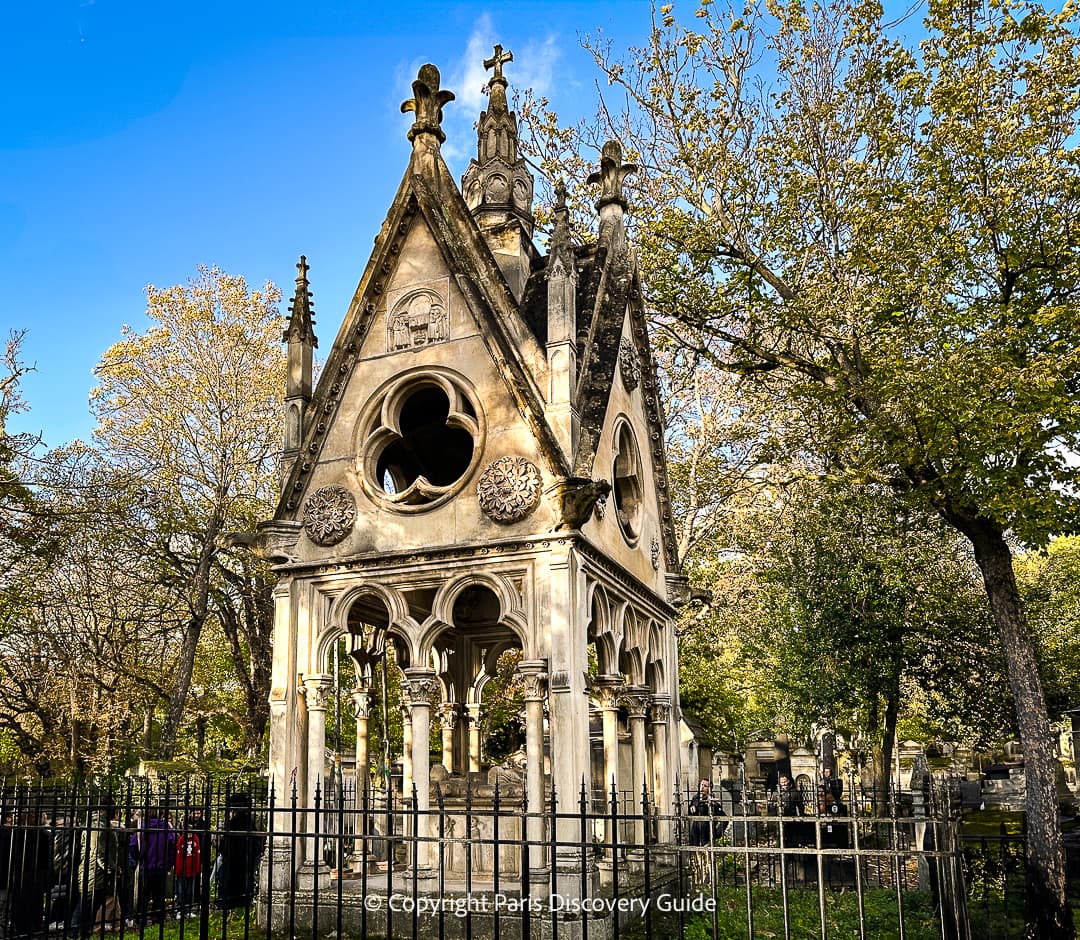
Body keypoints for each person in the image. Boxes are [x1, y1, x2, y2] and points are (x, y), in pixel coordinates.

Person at [69, 796, 119, 940]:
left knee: (90, 907)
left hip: (97, 873)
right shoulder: (98, 825)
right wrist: (113, 868)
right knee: (85, 906)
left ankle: (84, 934)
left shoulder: (101, 823)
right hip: (93, 873)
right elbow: (99, 853)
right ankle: (74, 935)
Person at [129, 806, 175, 927]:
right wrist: (168, 864)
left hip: (146, 866)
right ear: (161, 815)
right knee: (158, 896)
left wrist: (139, 859)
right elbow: (172, 847)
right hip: (161, 868)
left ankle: (141, 918)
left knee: (143, 895)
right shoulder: (166, 828)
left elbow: (133, 846)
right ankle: (157, 918)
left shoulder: (143, 828)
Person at [174, 816, 202, 919]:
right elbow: (178, 855)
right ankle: (180, 910)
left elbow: (198, 854)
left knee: (190, 891)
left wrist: (197, 868)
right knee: (181, 891)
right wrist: (178, 869)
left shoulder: (195, 839)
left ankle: (188, 909)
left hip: (192, 869)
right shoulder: (181, 840)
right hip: (182, 870)